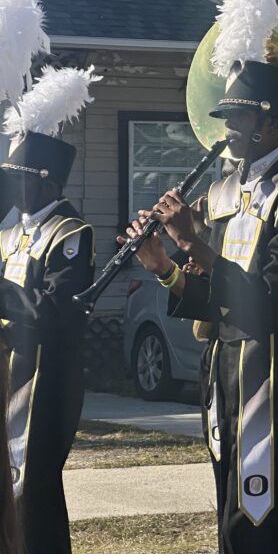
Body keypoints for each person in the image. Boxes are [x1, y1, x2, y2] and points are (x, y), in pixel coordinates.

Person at [125, 0, 278, 553]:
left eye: (237, 119)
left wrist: (198, 244)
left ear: (270, 124)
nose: (226, 130)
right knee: (229, 521)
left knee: (255, 525)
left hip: (275, 370)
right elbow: (210, 295)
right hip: (225, 370)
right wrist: (165, 261)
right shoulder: (221, 190)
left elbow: (276, 301)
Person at [0, 66, 99, 554]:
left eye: (20, 178)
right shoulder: (9, 232)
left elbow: (57, 311)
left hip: (45, 382)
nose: (13, 188)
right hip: (7, 375)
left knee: (33, 495)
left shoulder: (71, 234)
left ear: (47, 182)